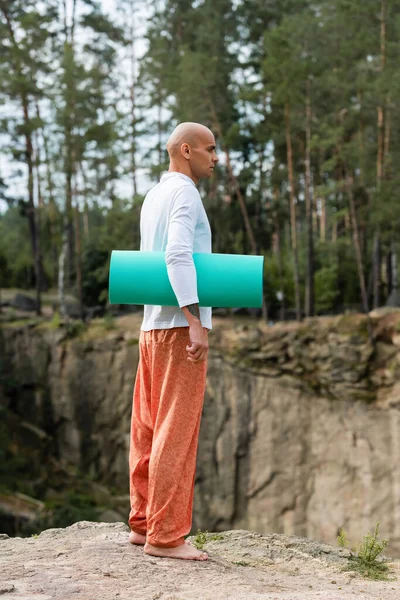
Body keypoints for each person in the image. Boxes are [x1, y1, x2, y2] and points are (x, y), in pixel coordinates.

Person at [128, 122, 219, 561]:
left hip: (150, 328)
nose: (215, 157)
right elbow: (177, 254)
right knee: (175, 431)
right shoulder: (185, 192)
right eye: (210, 149)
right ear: (186, 151)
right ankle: (165, 537)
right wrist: (195, 319)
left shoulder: (154, 195)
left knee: (146, 428)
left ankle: (143, 523)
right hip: (178, 328)